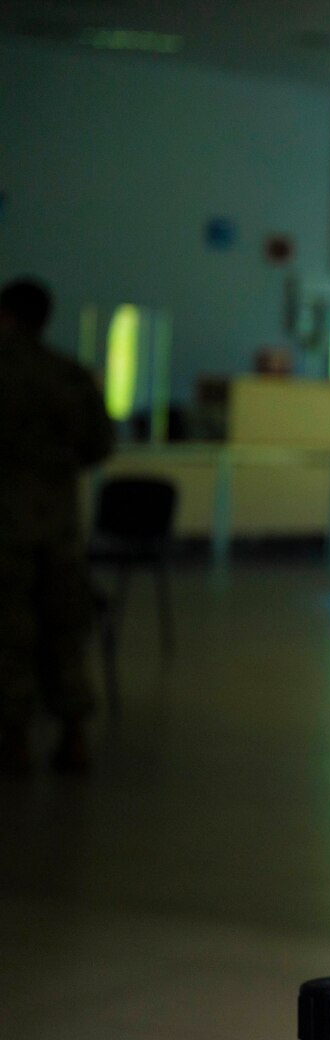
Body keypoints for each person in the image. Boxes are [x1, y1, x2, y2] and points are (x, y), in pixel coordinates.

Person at [0, 277, 114, 775]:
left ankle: (16, 739)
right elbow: (99, 446)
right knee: (66, 628)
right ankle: (73, 737)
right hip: (61, 526)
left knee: (10, 630)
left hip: (6, 527)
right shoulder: (69, 375)